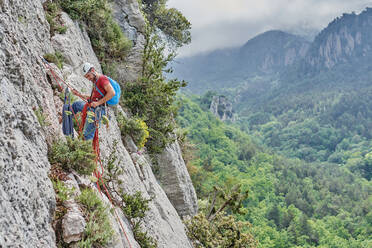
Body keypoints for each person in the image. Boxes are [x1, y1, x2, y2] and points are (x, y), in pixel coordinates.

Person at [71, 62, 115, 140]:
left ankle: (85, 150)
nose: (88, 78)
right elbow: (92, 99)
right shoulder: (95, 82)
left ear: (93, 70)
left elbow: (112, 93)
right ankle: (65, 125)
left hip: (99, 110)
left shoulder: (102, 79)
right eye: (86, 77)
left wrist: (98, 103)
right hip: (93, 107)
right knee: (75, 105)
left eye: (88, 75)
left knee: (87, 135)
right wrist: (78, 94)